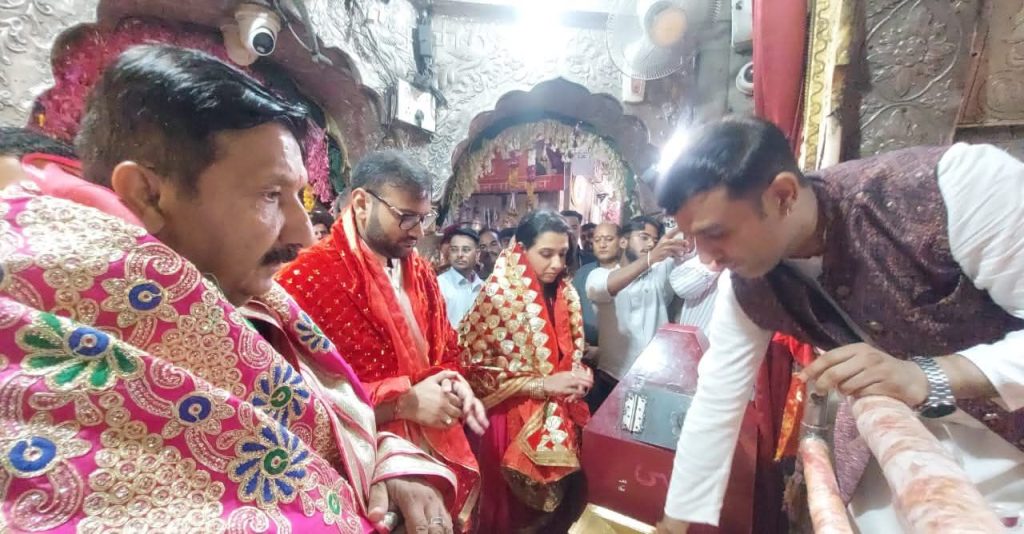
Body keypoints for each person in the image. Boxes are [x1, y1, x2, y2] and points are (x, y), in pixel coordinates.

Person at [0, 44, 455, 533]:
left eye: (299, 196)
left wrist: (384, 457)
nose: (304, 234)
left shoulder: (244, 289)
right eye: (270, 195)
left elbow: (327, 420)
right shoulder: (36, 327)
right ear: (148, 194)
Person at [655, 116, 1024, 532]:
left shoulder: (958, 184)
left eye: (716, 233)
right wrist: (674, 524)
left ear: (783, 195)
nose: (707, 257)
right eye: (695, 239)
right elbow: (717, 399)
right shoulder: (746, 285)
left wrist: (928, 376)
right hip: (895, 448)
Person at [277, 150, 486, 531]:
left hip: (435, 448)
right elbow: (296, 401)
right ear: (361, 203)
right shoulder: (305, 278)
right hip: (364, 467)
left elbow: (447, 348)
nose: (418, 232)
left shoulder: (420, 271)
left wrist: (451, 384)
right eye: (406, 216)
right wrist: (402, 404)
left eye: (424, 218)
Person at [460, 209, 594, 533]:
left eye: (562, 253)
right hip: (508, 422)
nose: (557, 263)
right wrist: (542, 385)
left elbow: (568, 353)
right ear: (521, 250)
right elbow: (471, 368)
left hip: (560, 415)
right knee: (510, 516)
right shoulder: (497, 297)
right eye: (546, 254)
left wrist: (580, 372)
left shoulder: (566, 293)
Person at [585, 217, 692, 406]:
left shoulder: (658, 272)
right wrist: (651, 258)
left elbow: (681, 250)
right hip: (613, 378)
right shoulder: (598, 275)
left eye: (654, 240)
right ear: (623, 242)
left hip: (653, 380)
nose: (650, 244)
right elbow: (606, 286)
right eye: (644, 237)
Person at [437, 228, 484, 328]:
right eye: (454, 250)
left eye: (466, 250)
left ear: (477, 254)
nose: (459, 255)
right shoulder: (439, 285)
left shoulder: (484, 287)